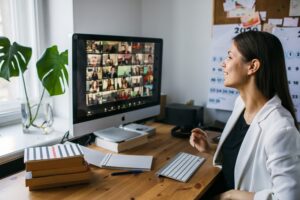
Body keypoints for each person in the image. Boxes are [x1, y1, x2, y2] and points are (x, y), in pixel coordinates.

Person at [190, 31, 300, 200]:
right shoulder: (240, 104)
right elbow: (245, 163)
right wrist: (210, 150)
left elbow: (287, 198)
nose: (223, 64)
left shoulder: (281, 128)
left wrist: (231, 195)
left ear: (252, 66)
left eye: (230, 57)